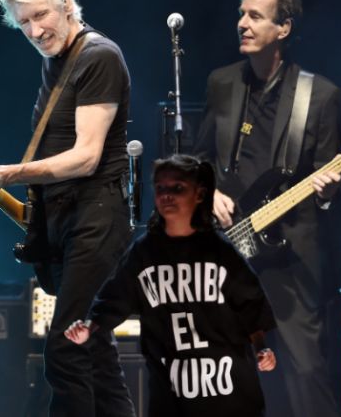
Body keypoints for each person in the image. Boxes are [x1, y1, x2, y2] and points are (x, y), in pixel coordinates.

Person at [0, 0, 136, 417]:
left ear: (67, 2)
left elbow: (87, 157)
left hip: (97, 220)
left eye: (41, 15)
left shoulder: (98, 56)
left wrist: (7, 174)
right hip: (66, 222)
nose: (35, 31)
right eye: (24, 23)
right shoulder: (57, 63)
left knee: (64, 349)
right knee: (96, 354)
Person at [192, 0, 341, 416]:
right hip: (231, 249)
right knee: (226, 375)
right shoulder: (222, 83)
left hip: (290, 257)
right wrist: (208, 191)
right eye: (241, 14)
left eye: (256, 16)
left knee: (306, 374)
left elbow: (329, 187)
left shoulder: (320, 96)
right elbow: (199, 159)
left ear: (284, 28)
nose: (242, 23)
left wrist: (327, 192)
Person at [66, 154, 278, 417]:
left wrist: (261, 348)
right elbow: (114, 297)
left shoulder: (220, 250)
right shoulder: (144, 252)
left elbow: (250, 303)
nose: (167, 196)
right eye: (160, 188)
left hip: (229, 394)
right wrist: (88, 327)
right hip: (172, 395)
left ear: (199, 194)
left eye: (177, 188)